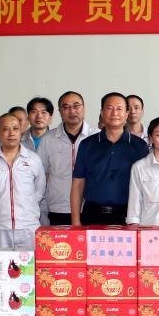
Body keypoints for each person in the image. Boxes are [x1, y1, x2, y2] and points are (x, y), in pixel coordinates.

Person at [71, 92, 150, 226]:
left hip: (128, 216)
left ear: (126, 113)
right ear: (102, 113)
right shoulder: (87, 144)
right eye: (109, 108)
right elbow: (78, 184)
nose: (114, 113)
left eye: (119, 108)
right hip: (92, 215)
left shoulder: (140, 146)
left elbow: (146, 186)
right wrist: (76, 222)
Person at [0, 113, 46, 249]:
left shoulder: (33, 159)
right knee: (0, 262)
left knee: (30, 262)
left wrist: (27, 206)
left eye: (15, 129)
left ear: (21, 132)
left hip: (28, 226)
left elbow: (39, 190)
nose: (11, 133)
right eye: (6, 129)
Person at [38, 91, 98, 225]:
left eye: (76, 106)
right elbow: (42, 174)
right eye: (66, 107)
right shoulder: (48, 139)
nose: (72, 111)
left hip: (90, 207)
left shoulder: (96, 137)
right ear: (60, 111)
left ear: (84, 108)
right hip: (58, 207)